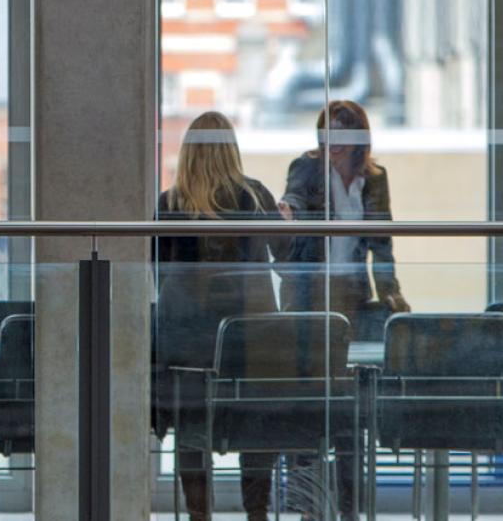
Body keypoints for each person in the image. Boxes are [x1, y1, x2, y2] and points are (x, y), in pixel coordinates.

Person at [278, 99, 406, 521]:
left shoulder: (375, 179)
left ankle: (349, 509)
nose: (332, 144)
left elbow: (381, 241)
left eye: (341, 136)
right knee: (309, 404)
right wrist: (289, 212)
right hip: (310, 297)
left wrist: (390, 292)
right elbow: (294, 197)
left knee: (349, 408)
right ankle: (308, 506)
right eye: (326, 134)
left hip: (352, 294)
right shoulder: (308, 167)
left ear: (358, 140)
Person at [154, 111, 284, 521]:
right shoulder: (256, 197)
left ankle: (198, 515)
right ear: (232, 150)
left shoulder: (169, 204)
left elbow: (158, 271)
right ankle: (257, 512)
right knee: (255, 425)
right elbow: (286, 256)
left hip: (187, 344)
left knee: (191, 429)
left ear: (188, 153)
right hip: (253, 339)